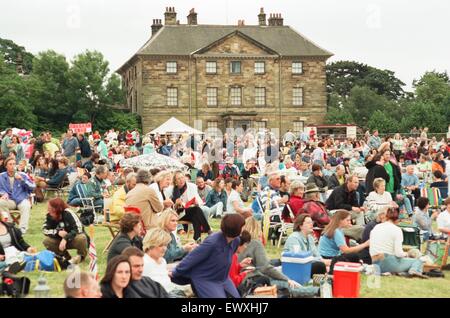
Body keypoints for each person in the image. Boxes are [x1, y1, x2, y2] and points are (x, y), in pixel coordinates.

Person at [238, 217, 319, 297]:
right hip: (254, 280)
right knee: (288, 285)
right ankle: (316, 291)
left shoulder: (238, 244)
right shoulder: (255, 244)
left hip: (242, 280)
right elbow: (265, 267)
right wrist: (287, 279)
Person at [170, 214, 244, 298]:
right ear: (235, 228)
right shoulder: (212, 242)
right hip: (205, 278)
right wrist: (175, 272)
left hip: (223, 278)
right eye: (242, 227)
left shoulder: (236, 241)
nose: (243, 229)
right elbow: (192, 258)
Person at [370, 208, 426, 278]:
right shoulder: (397, 230)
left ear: (386, 217)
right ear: (398, 220)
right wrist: (407, 254)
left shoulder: (376, 227)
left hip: (374, 262)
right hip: (387, 261)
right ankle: (413, 271)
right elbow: (398, 254)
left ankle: (402, 273)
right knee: (417, 261)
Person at [164, 171, 211, 241]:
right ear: (175, 181)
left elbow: (198, 200)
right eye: (178, 179)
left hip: (188, 211)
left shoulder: (191, 187)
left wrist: (196, 203)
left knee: (196, 213)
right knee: (196, 210)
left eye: (182, 177)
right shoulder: (172, 190)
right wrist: (176, 204)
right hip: (176, 214)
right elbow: (169, 207)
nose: (181, 180)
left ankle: (197, 238)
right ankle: (208, 230)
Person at [142, 227, 189, 297]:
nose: (164, 248)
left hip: (172, 290)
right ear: (150, 245)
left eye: (166, 245)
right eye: (161, 245)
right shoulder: (144, 262)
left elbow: (166, 281)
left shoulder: (162, 261)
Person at [42, 198, 87, 264]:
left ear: (56, 208)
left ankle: (81, 256)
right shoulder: (49, 216)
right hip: (59, 240)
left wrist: (66, 238)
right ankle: (65, 257)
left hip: (73, 239)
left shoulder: (68, 212)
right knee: (47, 241)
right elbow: (45, 230)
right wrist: (57, 232)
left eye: (50, 208)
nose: (48, 209)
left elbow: (79, 228)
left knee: (82, 238)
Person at [0, 158, 36, 234]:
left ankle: (22, 229)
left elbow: (33, 187)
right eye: (10, 164)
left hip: (21, 199)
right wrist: (3, 193)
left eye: (14, 164)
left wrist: (22, 180)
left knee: (26, 205)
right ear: (6, 166)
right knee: (1, 203)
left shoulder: (23, 175)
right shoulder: (1, 176)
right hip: (10, 200)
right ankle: (9, 226)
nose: (12, 166)